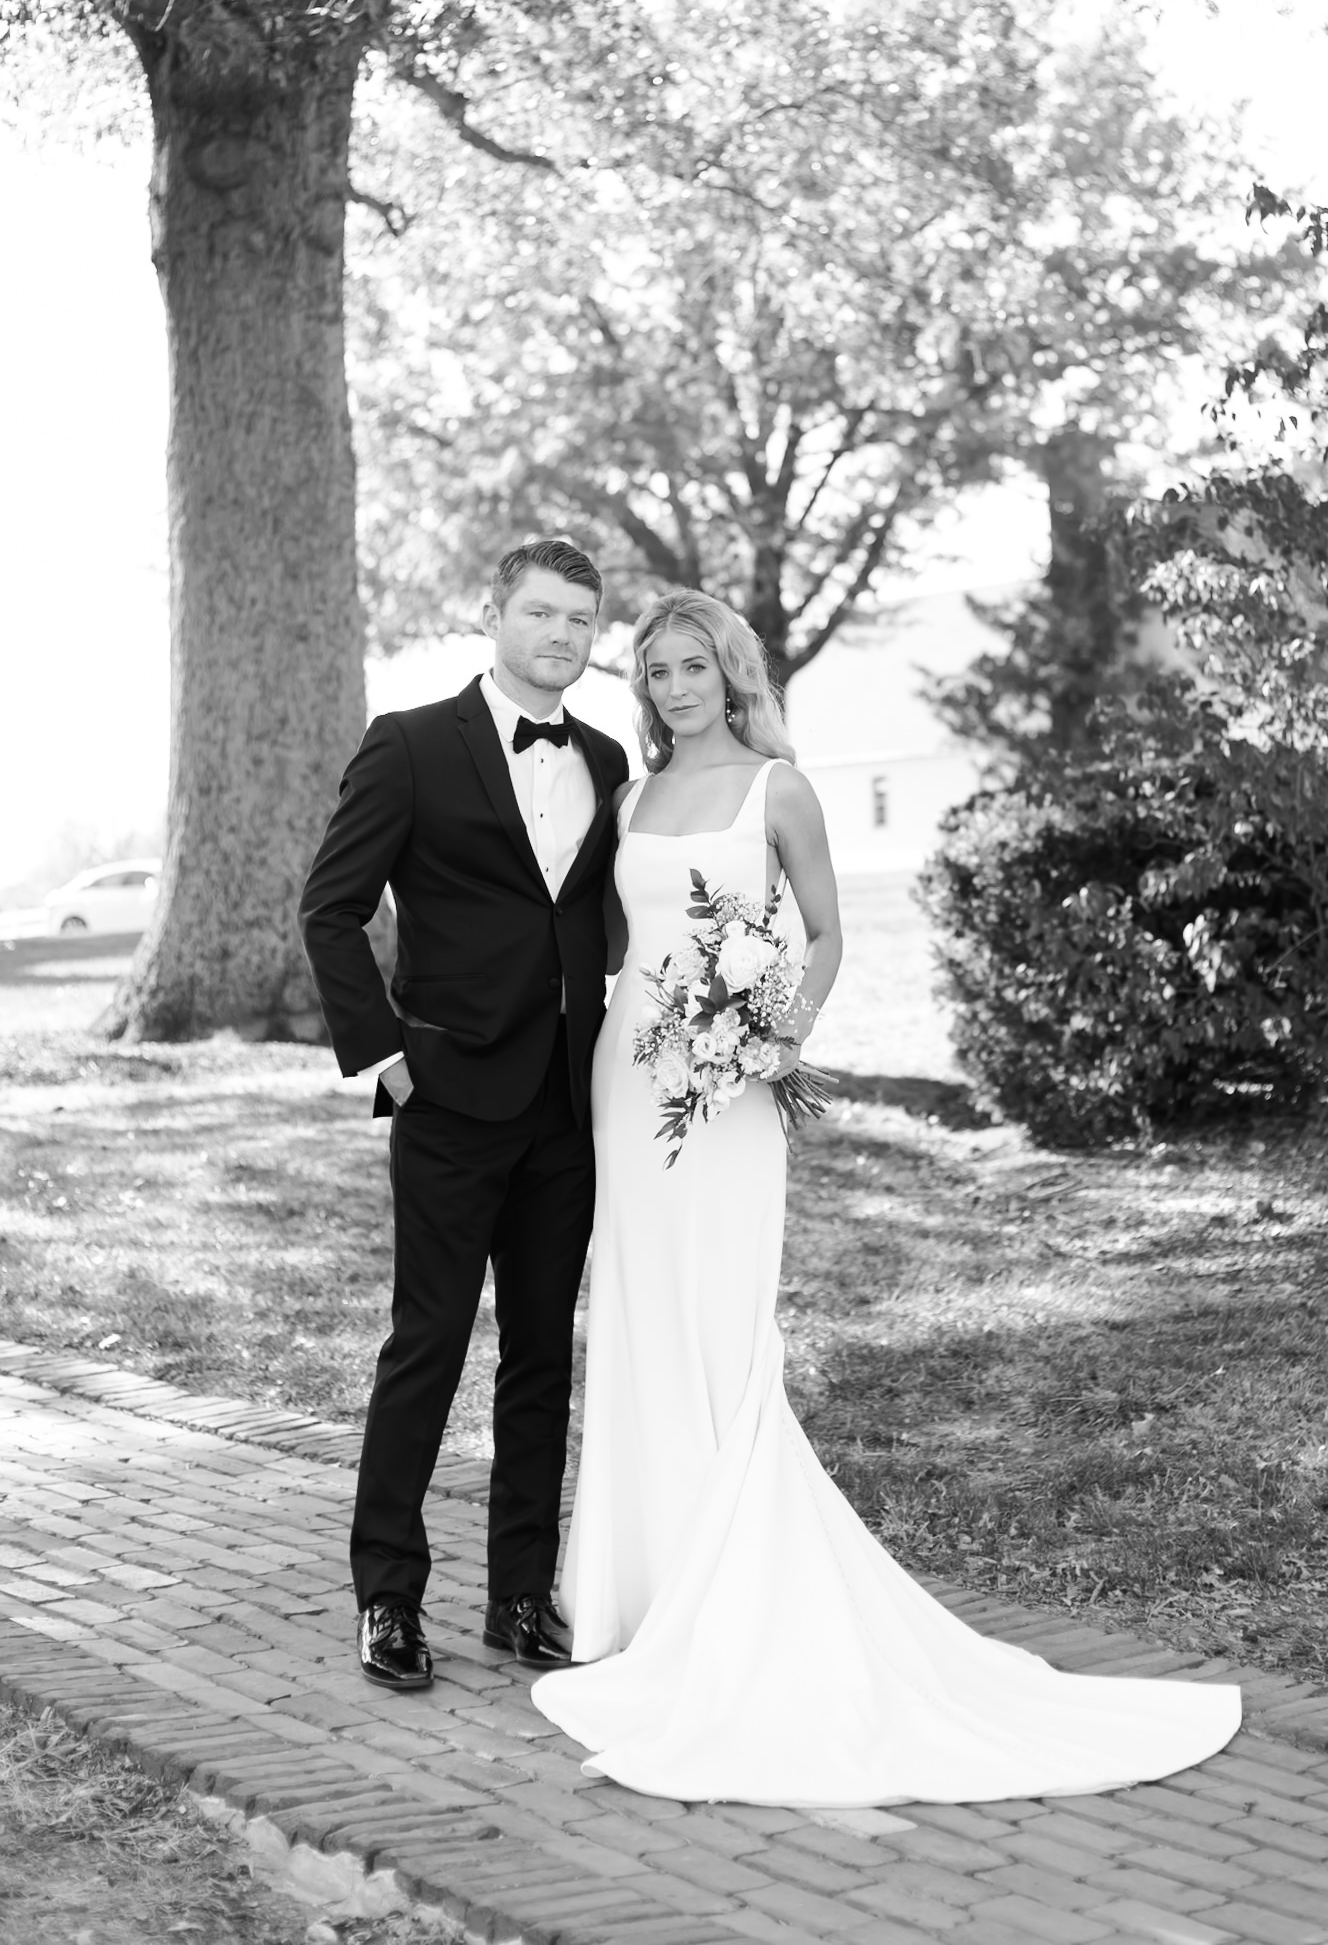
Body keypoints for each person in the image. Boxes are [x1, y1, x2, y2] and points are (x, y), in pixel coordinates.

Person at [531, 586, 1241, 1805]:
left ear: (730, 673)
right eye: (656, 673)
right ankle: (638, 1596)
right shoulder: (631, 800)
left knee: (720, 1319)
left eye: (694, 667)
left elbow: (824, 934)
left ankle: (734, 1591)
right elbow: (612, 946)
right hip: (628, 1076)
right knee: (638, 1312)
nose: (676, 689)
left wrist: (775, 1034)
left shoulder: (780, 789)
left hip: (734, 1094)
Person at [299, 537, 629, 1691]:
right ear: (492, 615)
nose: (560, 634)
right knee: (427, 1344)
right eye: (540, 611)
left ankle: (519, 1592)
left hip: (569, 1104)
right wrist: (385, 1057)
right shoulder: (408, 743)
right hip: (446, 1097)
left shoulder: (606, 757)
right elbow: (331, 909)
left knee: (540, 1354)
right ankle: (387, 1596)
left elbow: (601, 922)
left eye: (580, 619)